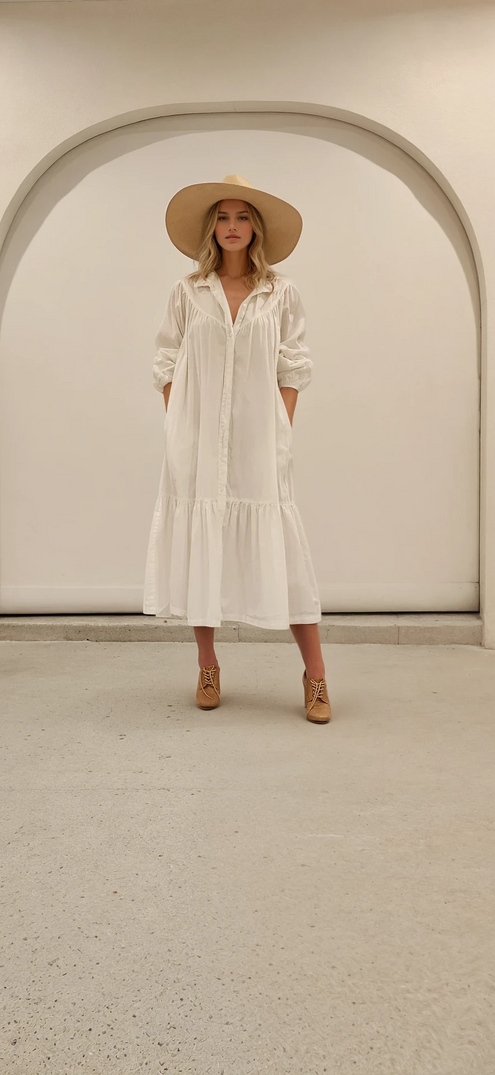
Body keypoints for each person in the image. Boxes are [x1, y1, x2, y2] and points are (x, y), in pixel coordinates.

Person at [143, 174, 331, 723]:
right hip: (197, 442)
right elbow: (165, 362)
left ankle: (316, 675)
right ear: (211, 228)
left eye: (242, 217)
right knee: (203, 548)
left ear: (256, 228)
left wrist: (280, 428)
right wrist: (180, 428)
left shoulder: (280, 293)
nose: (232, 226)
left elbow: (294, 365)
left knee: (287, 553)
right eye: (223, 217)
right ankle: (207, 665)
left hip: (259, 442)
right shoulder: (187, 292)